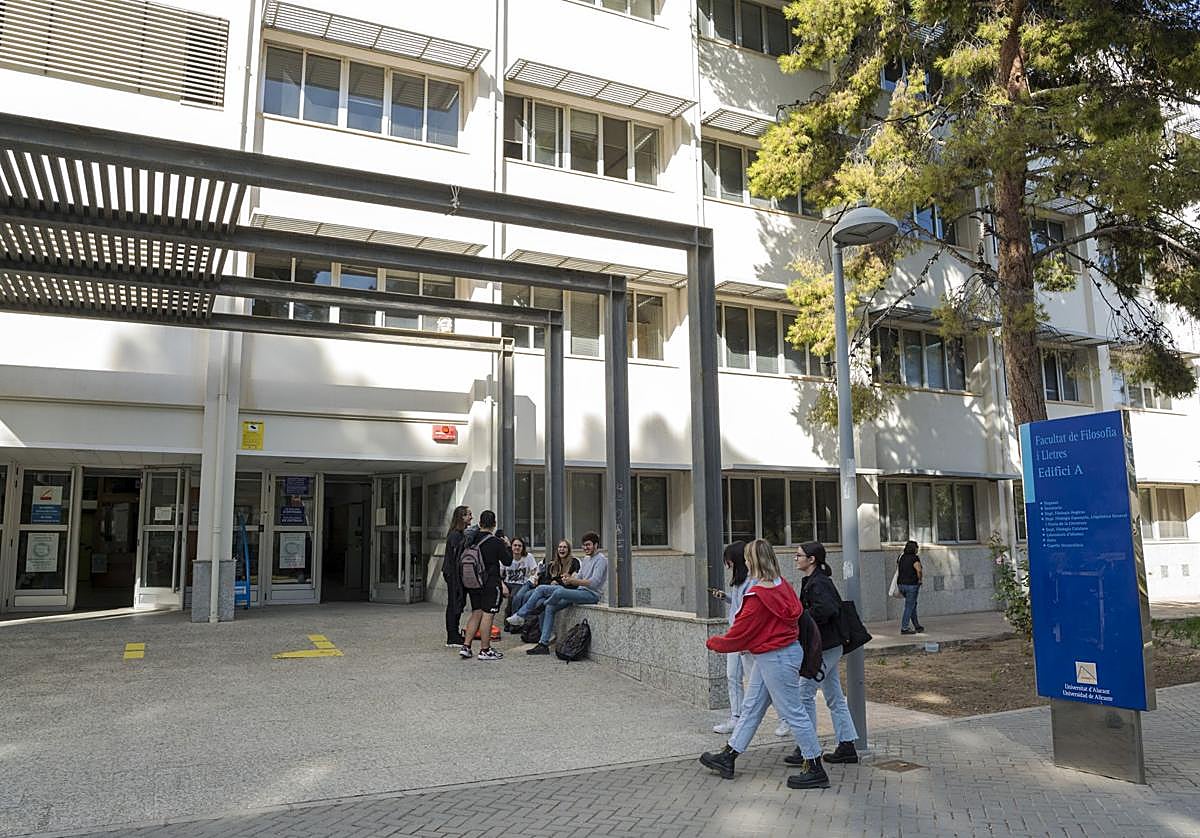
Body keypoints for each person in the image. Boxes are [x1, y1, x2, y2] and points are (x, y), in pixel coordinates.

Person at [698, 540, 829, 790]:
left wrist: (712, 642)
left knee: (793, 712)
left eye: (748, 559)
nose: (746, 563)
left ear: (752, 562)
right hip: (779, 654)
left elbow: (739, 634)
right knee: (752, 707)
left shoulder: (757, 596)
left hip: (775, 657)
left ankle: (815, 767)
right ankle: (729, 756)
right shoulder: (782, 584)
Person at [794, 541, 859, 765]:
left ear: (811, 559)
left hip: (826, 647)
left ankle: (807, 747)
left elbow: (827, 609)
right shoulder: (814, 581)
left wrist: (803, 618)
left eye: (799, 555)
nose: (796, 559)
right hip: (828, 646)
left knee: (804, 693)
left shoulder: (818, 583)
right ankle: (847, 745)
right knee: (834, 697)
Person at [506, 531, 607, 656]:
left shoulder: (601, 560)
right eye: (584, 545)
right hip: (579, 591)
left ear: (596, 545)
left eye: (588, 545)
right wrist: (569, 578)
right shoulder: (586, 559)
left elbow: (594, 583)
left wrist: (573, 581)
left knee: (558, 592)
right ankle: (542, 643)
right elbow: (579, 576)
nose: (585, 548)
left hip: (591, 595)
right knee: (544, 594)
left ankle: (535, 609)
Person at [710, 541, 755, 735]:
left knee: (757, 681)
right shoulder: (739, 582)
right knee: (732, 676)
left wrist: (745, 639)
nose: (727, 565)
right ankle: (736, 717)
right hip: (735, 635)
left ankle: (785, 718)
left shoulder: (752, 582)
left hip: (744, 637)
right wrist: (725, 597)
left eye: (729, 560)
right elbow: (738, 606)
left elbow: (748, 612)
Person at [459, 510, 508, 661]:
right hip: (490, 583)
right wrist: (506, 545)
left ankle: (466, 646)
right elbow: (507, 561)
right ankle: (485, 650)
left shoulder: (471, 539)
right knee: (488, 615)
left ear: (480, 523)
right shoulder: (496, 542)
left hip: (473, 582)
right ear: (494, 524)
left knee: (476, 612)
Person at [512, 539, 576, 615]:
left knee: (539, 597)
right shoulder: (553, 563)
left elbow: (573, 580)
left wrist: (557, 582)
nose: (562, 549)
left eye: (564, 547)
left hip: (563, 590)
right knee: (527, 595)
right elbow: (546, 579)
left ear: (568, 550)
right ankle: (526, 619)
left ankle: (521, 615)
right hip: (548, 588)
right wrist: (548, 581)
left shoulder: (574, 562)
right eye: (560, 547)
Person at [442, 505, 473, 648]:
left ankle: (454, 634)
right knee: (455, 603)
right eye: (468, 514)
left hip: (455, 573)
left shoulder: (459, 534)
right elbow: (456, 557)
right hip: (454, 574)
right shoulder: (456, 535)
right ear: (462, 517)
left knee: (457, 603)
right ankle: (452, 636)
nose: (471, 517)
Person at [500, 536, 539, 623]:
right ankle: (512, 620)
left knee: (515, 597)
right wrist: (503, 586)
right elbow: (498, 575)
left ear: (523, 547)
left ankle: (513, 619)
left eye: (519, 546)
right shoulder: (506, 557)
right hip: (507, 583)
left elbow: (535, 571)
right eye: (515, 545)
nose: (517, 547)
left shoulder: (528, 557)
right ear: (511, 547)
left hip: (522, 583)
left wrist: (534, 579)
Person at [897, 540, 924, 635]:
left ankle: (917, 625)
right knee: (909, 606)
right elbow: (919, 570)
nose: (918, 549)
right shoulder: (914, 558)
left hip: (901, 584)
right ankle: (904, 628)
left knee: (912, 605)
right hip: (911, 585)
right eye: (917, 547)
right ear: (914, 548)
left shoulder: (901, 557)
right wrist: (920, 580)